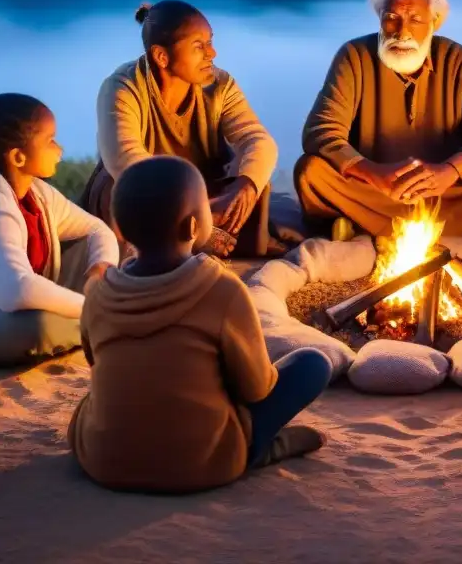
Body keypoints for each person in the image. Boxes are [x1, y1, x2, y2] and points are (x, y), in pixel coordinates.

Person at [67, 156, 332, 494]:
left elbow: (95, 361)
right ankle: (262, 449)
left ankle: (129, 444)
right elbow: (256, 389)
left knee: (109, 389)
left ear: (119, 226)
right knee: (313, 365)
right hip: (204, 464)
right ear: (193, 227)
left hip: (103, 461)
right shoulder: (222, 291)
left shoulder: (99, 294)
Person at [294, 0, 462, 242]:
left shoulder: (456, 58)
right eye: (392, 18)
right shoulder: (354, 56)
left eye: (415, 19)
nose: (402, 32)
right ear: (380, 19)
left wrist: (449, 171)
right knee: (311, 170)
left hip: (445, 190)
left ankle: (360, 228)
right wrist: (373, 172)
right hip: (374, 190)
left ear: (434, 21)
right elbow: (320, 131)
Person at [0, 93, 119, 369]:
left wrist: (99, 270)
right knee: (40, 326)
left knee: (115, 249)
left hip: (17, 305)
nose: (60, 149)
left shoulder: (37, 192)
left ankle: (103, 317)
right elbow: (17, 291)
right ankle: (109, 321)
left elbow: (95, 229)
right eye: (50, 141)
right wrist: (91, 307)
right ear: (18, 156)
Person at [81, 0, 278, 258]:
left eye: (210, 42)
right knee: (118, 187)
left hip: (205, 191)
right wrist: (192, 211)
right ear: (161, 57)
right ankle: (166, 250)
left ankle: (199, 237)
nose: (212, 53)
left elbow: (258, 139)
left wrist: (246, 183)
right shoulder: (122, 87)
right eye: (199, 46)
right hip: (153, 194)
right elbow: (126, 160)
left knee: (254, 181)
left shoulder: (220, 85)